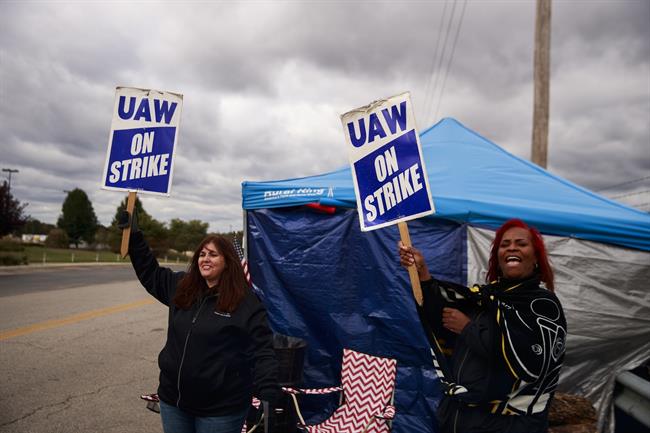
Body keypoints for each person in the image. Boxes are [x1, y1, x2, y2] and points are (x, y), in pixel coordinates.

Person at [398, 218, 566, 433]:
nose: (511, 247)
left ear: (536, 258)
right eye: (504, 245)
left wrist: (468, 329)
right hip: (460, 417)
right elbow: (443, 319)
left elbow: (527, 362)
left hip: (508, 425)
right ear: (498, 257)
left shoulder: (542, 306)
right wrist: (422, 274)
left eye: (521, 244)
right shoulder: (487, 298)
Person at [119, 211, 281, 433]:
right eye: (202, 254)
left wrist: (269, 391)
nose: (205, 259)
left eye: (213, 255)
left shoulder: (245, 302)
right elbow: (151, 273)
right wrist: (135, 236)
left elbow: (263, 349)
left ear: (227, 262)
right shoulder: (182, 287)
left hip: (220, 410)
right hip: (173, 402)